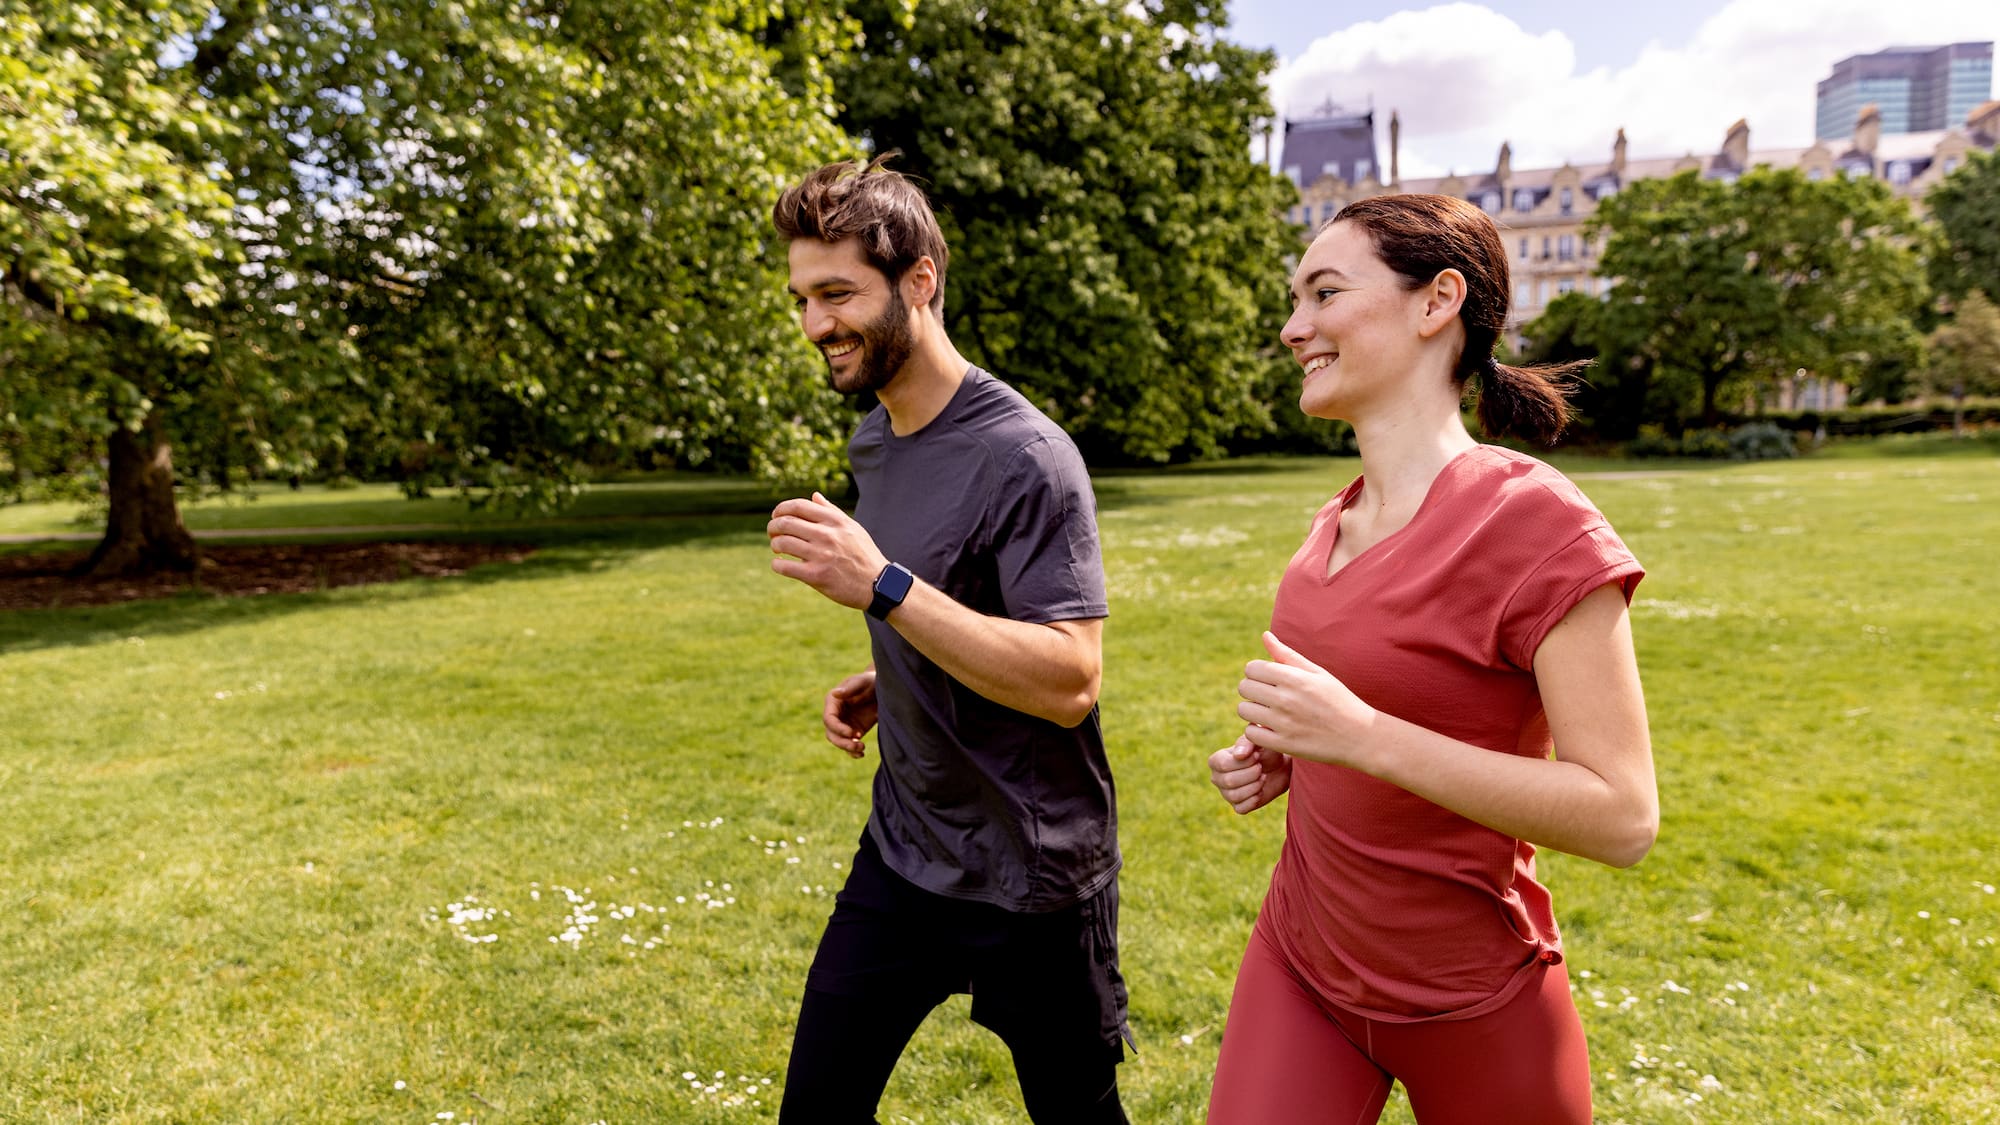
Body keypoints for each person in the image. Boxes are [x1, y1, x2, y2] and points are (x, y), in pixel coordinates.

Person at [1204, 194, 1659, 1125]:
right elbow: (1387, 704)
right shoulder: (1331, 521)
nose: (1295, 328)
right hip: (1302, 969)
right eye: (1295, 300)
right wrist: (1290, 754)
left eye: (1324, 293)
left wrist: (1364, 736)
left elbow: (1622, 816)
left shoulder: (1538, 522)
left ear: (1436, 301)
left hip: (1478, 999)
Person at [765, 155, 1131, 1125]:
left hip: (1033, 871)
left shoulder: (1027, 457)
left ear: (918, 280)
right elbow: (959, 603)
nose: (814, 325)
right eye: (802, 298)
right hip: (905, 850)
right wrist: (895, 675)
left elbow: (1068, 679)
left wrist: (881, 591)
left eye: (837, 294)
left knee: (1078, 1115)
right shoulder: (875, 442)